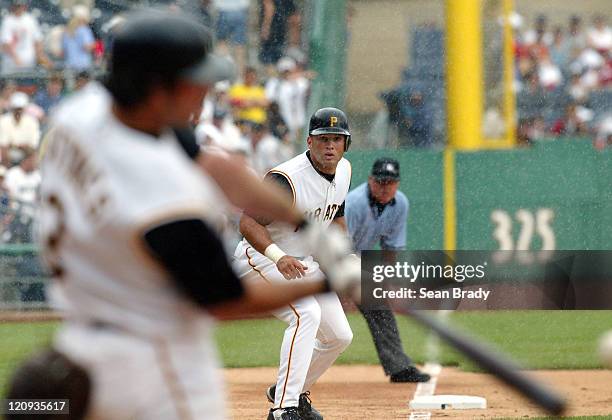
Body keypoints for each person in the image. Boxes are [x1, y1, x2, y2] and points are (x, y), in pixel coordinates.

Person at [6, 10, 360, 420]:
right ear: (157, 88)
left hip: (83, 343)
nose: (204, 93)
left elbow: (213, 163)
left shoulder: (84, 114)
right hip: (153, 368)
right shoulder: (163, 189)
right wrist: (329, 280)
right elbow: (225, 299)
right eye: (194, 83)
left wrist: (314, 230)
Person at [233, 107, 356, 420]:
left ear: (346, 144)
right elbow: (247, 223)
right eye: (323, 138)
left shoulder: (343, 171)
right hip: (261, 258)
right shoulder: (286, 179)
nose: (330, 145)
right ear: (309, 141)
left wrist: (342, 259)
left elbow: (336, 216)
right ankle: (283, 408)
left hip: (304, 262)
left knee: (340, 335)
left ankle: (290, 389)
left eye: (337, 139)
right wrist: (278, 256)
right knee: (306, 314)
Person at [345, 158, 431, 384]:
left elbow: (391, 249)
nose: (385, 187)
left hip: (357, 263)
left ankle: (399, 367)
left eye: (390, 182)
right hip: (326, 259)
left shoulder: (400, 203)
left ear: (398, 184)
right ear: (370, 180)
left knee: (379, 307)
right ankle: (295, 374)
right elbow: (337, 247)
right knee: (316, 316)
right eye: (381, 181)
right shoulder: (353, 203)